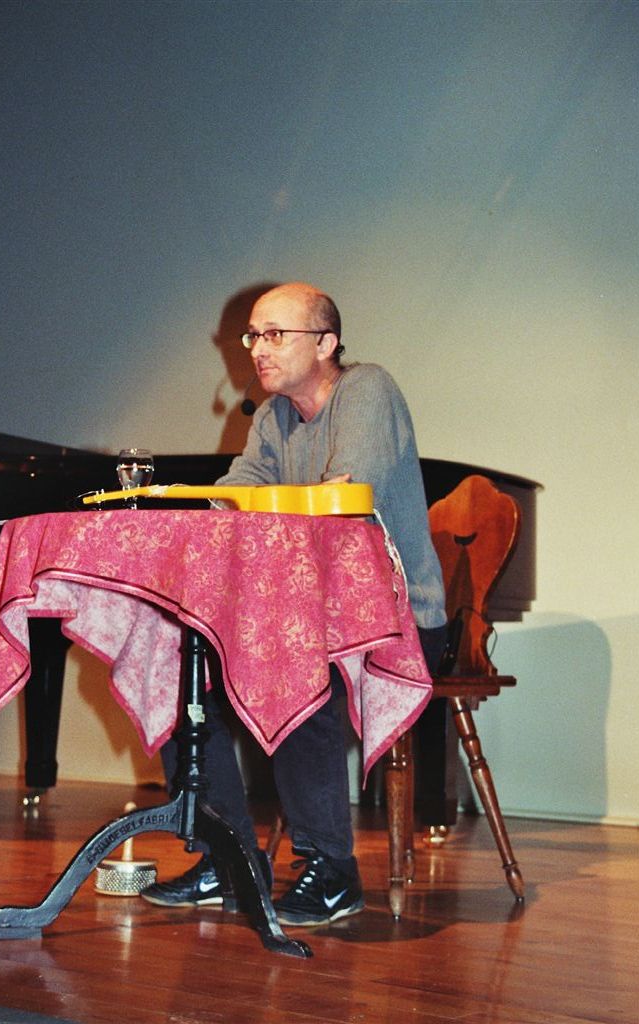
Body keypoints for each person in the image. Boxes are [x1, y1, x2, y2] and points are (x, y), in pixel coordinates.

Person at [141, 282, 447, 927]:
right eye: (253, 335)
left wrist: (253, 506)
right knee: (179, 680)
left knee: (292, 678)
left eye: (276, 334)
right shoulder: (272, 417)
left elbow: (346, 495)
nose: (258, 348)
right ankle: (228, 858)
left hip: (395, 616)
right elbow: (233, 498)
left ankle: (332, 871)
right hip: (303, 613)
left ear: (327, 343)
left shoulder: (367, 389)